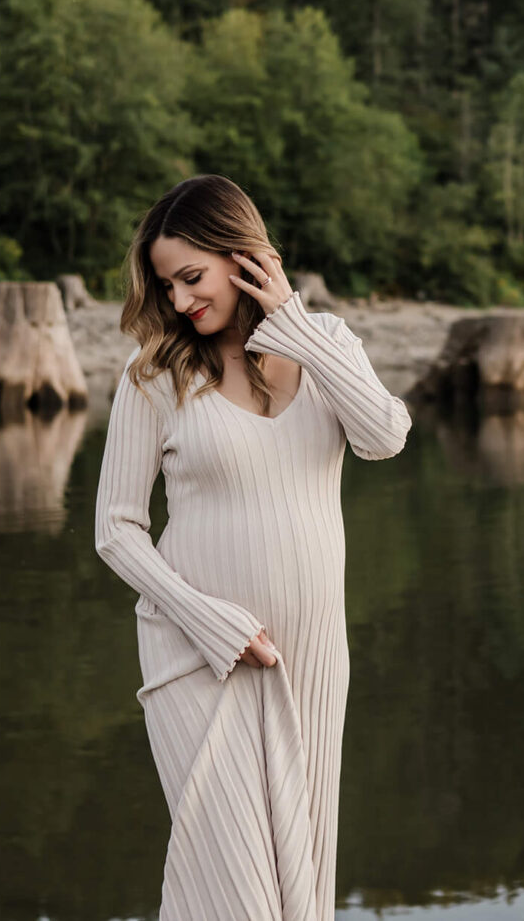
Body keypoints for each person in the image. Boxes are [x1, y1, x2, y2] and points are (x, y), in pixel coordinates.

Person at [93, 174, 412, 921]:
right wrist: (210, 622)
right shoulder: (154, 376)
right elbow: (115, 527)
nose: (178, 301)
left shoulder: (326, 344)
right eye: (167, 285)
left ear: (244, 257)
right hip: (197, 655)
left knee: (301, 891)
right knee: (232, 894)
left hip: (311, 654)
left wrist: (294, 323)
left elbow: (385, 436)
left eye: (191, 278)